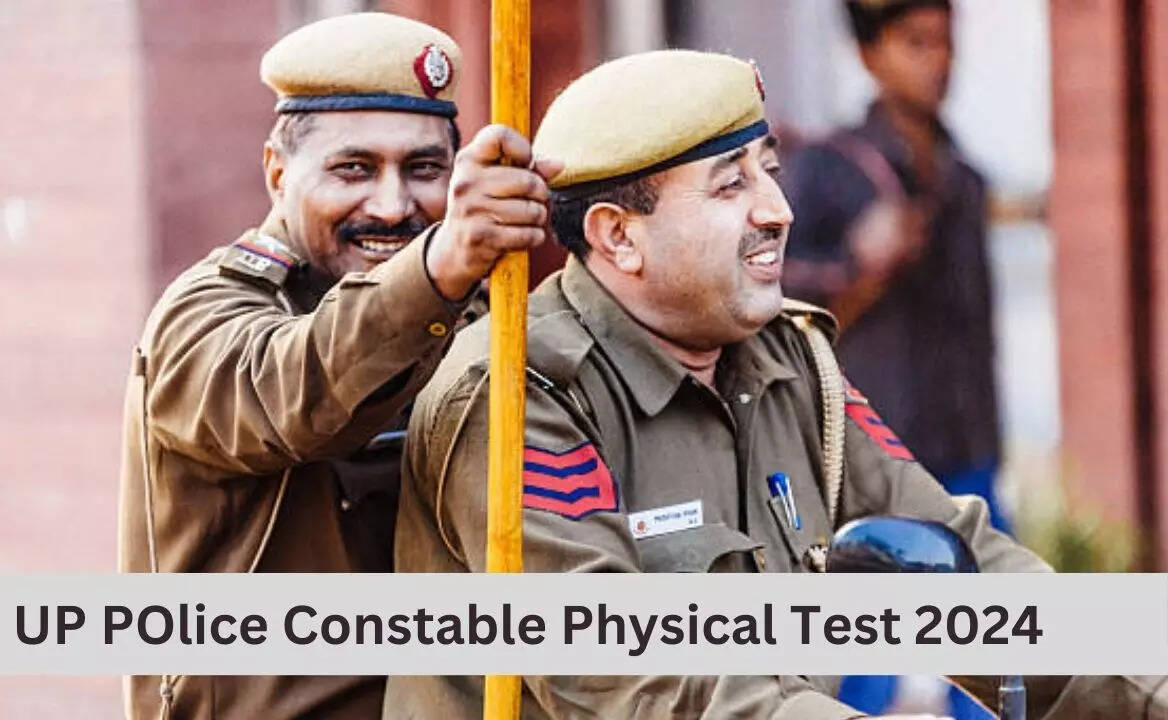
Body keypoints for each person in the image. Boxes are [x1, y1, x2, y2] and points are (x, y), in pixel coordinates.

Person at [386, 49, 1168, 718]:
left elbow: (968, 566)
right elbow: (629, 673)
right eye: (731, 185)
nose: (779, 210)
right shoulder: (520, 391)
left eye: (770, 171)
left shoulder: (788, 362)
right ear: (618, 236)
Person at [117, 12, 558, 719]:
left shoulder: (475, 309)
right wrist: (439, 270)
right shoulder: (203, 315)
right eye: (353, 169)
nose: (391, 206)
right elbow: (291, 396)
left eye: (424, 170)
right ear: (277, 173)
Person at [782, 0, 1008, 533]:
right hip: (876, 465)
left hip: (971, 457)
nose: (939, 60)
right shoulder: (828, 169)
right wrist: (859, 267)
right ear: (869, 54)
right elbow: (775, 306)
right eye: (916, 43)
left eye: (945, 41)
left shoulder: (966, 180)